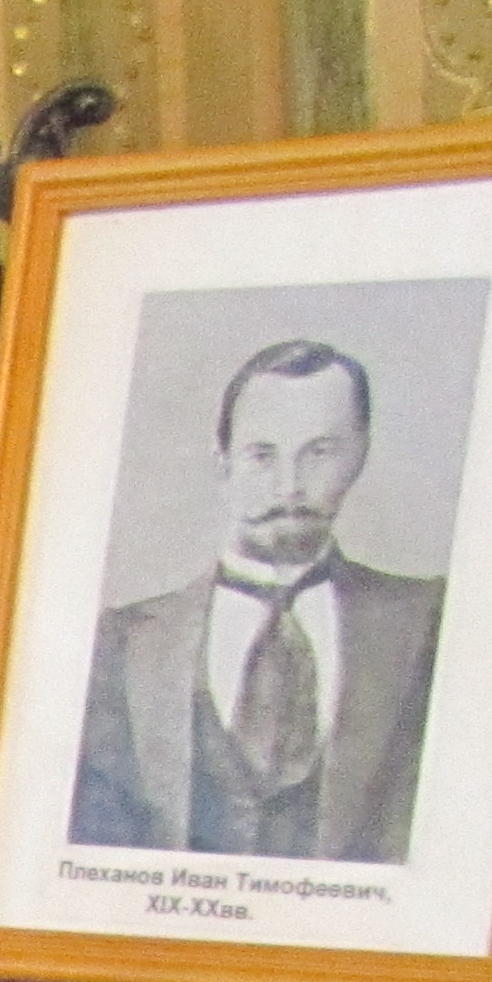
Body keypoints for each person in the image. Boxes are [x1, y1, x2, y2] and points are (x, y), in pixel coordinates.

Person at [70, 338, 442, 865]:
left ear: (359, 454)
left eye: (319, 453)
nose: (289, 486)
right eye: (262, 456)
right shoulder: (121, 642)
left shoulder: (427, 624)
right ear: (222, 463)